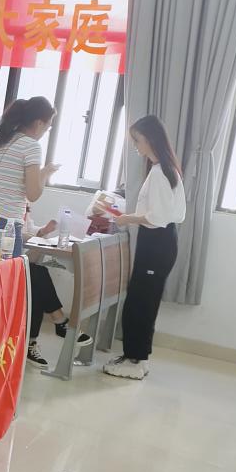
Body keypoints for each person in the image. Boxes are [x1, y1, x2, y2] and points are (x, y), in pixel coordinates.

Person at [102, 115, 185, 380]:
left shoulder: (161, 173)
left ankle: (135, 360)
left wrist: (127, 219)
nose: (135, 146)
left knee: (141, 303)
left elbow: (156, 218)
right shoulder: (164, 169)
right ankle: (136, 357)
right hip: (159, 242)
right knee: (142, 300)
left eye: (137, 140)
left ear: (149, 139)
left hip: (157, 243)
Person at [0, 97, 58, 257]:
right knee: (9, 273)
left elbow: (11, 179)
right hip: (5, 224)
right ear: (39, 124)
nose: (44, 133)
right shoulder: (31, 146)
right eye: (47, 128)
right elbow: (33, 194)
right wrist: (46, 173)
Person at [25, 207, 92, 369]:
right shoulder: (6, 207)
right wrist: (38, 234)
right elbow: (18, 236)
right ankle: (59, 322)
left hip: (24, 261)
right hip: (6, 263)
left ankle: (33, 342)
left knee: (37, 277)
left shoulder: (22, 206)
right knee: (37, 275)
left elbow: (29, 230)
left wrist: (43, 231)